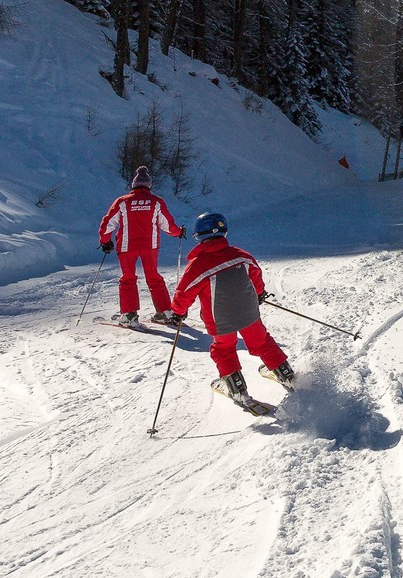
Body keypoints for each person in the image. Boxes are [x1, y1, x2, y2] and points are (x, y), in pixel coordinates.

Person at [171, 212, 296, 409]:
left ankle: (237, 389)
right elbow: (255, 272)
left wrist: (177, 312)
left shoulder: (198, 265)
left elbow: (184, 292)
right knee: (263, 342)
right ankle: (286, 375)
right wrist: (259, 293)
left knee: (223, 349)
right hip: (249, 313)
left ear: (198, 236)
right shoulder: (240, 255)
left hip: (222, 321)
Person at [98, 166, 186, 326]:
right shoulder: (156, 202)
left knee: (128, 278)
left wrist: (105, 241)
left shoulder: (122, 201)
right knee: (153, 276)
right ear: (148, 185)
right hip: (149, 246)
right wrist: (178, 232)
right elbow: (167, 224)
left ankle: (129, 315)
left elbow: (107, 223)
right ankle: (165, 312)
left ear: (133, 185)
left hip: (126, 246)